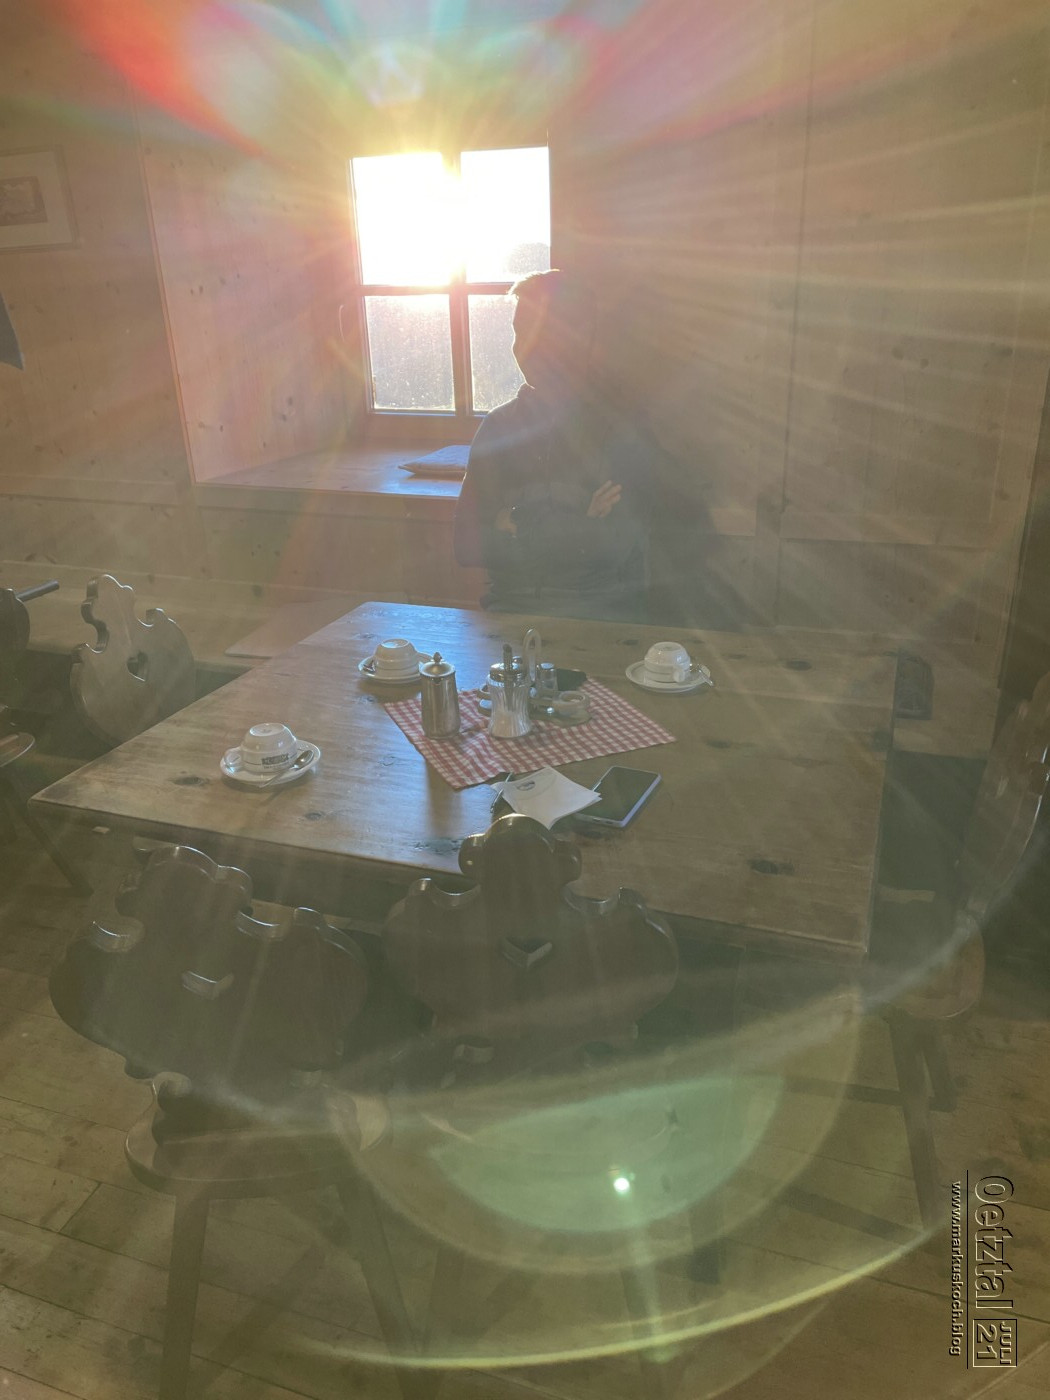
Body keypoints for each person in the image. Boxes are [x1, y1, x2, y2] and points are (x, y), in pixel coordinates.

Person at [453, 270, 652, 621]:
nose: (523, 347)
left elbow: (618, 547)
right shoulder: (498, 428)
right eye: (519, 331)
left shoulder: (616, 428)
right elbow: (466, 546)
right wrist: (581, 525)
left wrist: (514, 523)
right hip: (508, 617)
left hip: (598, 618)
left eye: (539, 332)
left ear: (578, 338)